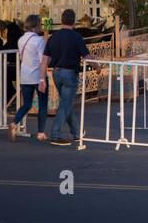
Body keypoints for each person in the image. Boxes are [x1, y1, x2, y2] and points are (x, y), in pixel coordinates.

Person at [44, 8, 90, 147]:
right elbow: (86, 55)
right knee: (65, 104)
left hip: (56, 72)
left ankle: (77, 132)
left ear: (62, 19)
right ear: (74, 21)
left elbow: (46, 58)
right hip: (70, 73)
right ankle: (55, 134)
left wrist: (41, 77)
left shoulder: (53, 37)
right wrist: (97, 67)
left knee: (66, 102)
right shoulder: (76, 37)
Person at [9, 14, 49, 142]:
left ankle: (14, 123)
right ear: (36, 26)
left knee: (26, 104)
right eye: (40, 25)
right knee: (42, 104)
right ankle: (41, 133)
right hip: (38, 76)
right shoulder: (39, 40)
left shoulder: (20, 40)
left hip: (25, 75)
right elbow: (42, 60)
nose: (41, 27)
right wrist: (43, 79)